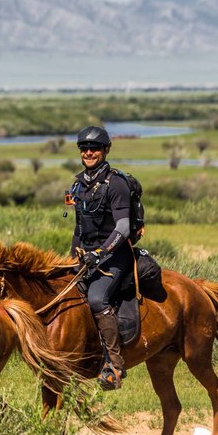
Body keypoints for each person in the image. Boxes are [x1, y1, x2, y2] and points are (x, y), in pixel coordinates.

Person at [68, 125, 132, 390]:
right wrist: (71, 258)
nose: (89, 152)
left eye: (94, 148)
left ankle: (115, 366)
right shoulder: (77, 184)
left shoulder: (116, 183)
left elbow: (124, 228)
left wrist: (100, 253)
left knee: (96, 298)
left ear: (105, 150)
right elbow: (78, 228)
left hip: (114, 256)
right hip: (86, 257)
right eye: (84, 148)